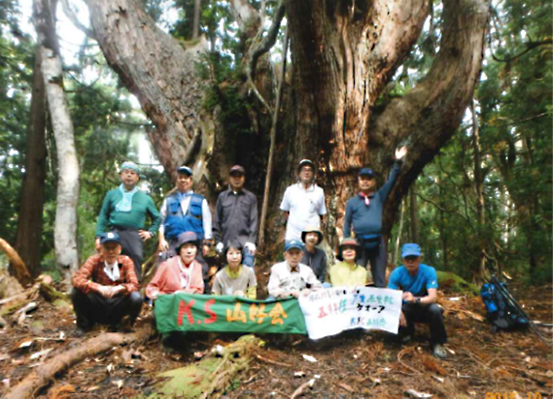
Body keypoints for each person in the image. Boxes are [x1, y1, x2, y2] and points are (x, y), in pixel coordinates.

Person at [343, 146, 407, 287]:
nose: (365, 182)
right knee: (357, 278)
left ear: (373, 182)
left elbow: (391, 181)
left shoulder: (379, 196)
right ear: (358, 181)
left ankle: (380, 307)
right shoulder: (352, 202)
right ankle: (356, 307)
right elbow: (346, 223)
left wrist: (398, 162)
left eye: (369, 179)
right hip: (359, 244)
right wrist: (347, 244)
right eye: (362, 179)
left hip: (378, 243)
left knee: (379, 278)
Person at [95, 161, 161, 281]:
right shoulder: (111, 195)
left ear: (137, 177)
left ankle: (134, 290)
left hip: (134, 234)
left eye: (132, 173)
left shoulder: (145, 198)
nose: (129, 175)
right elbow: (103, 216)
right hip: (114, 232)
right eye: (126, 172)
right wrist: (99, 236)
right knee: (109, 257)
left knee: (135, 257)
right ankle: (107, 288)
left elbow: (157, 218)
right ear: (121, 175)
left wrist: (150, 232)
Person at [71, 232, 142, 335]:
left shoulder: (126, 261)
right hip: (99, 303)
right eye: (107, 248)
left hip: (118, 303)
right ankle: (83, 326)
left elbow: (134, 284)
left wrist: (120, 288)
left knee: (136, 297)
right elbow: (77, 279)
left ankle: (127, 324)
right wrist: (98, 287)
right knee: (76, 292)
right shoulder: (94, 260)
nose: (111, 252)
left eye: (114, 248)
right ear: (101, 249)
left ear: (119, 249)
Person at [388, 243, 447, 359]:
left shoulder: (429, 271)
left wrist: (415, 299)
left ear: (420, 258)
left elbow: (432, 297)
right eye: (407, 259)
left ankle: (437, 342)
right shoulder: (397, 273)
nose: (410, 262)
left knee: (435, 310)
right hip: (406, 307)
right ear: (403, 260)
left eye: (413, 258)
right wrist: (398, 312)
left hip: (423, 305)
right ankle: (406, 334)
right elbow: (390, 297)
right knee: (396, 312)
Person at [213, 165, 258, 268]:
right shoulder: (222, 197)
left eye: (240, 176)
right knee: (227, 276)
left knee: (248, 271)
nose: (237, 179)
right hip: (226, 243)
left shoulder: (250, 198)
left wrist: (251, 241)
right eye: (234, 176)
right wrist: (218, 242)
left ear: (244, 178)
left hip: (245, 244)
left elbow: (254, 221)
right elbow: (216, 221)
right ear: (230, 178)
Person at [146, 232, 204, 300]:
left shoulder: (197, 267)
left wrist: (183, 293)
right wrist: (161, 296)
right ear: (180, 250)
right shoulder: (167, 265)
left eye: (192, 247)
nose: (189, 251)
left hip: (189, 305)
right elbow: (151, 288)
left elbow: (199, 290)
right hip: (168, 304)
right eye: (185, 247)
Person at [280, 159, 327, 241]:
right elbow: (285, 212)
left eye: (309, 170)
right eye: (304, 170)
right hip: (293, 237)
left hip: (311, 239)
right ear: (299, 173)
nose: (306, 172)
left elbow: (321, 214)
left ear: (313, 174)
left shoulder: (319, 192)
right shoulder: (290, 190)